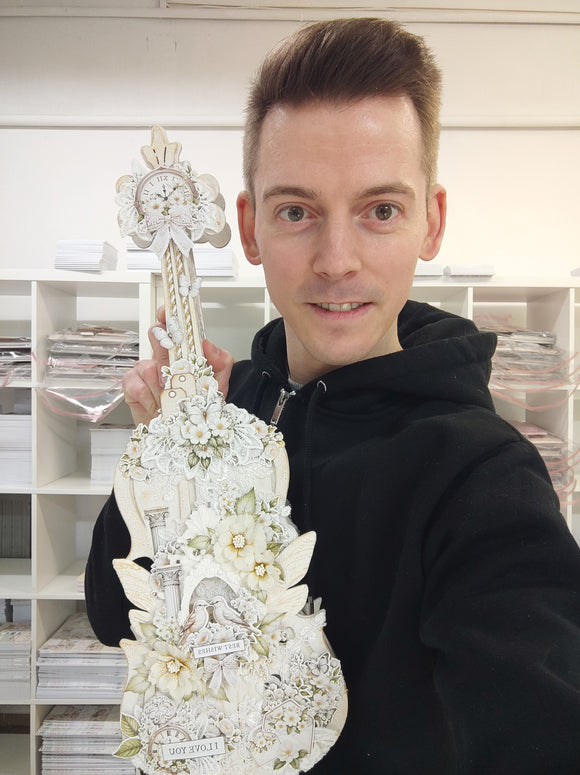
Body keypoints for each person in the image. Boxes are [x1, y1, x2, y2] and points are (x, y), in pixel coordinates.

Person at [85, 17, 580, 773]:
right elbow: (113, 614)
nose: (337, 261)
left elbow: (537, 714)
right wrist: (165, 457)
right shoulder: (230, 406)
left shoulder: (482, 476)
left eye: (380, 210)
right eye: (297, 211)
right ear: (250, 227)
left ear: (430, 222)